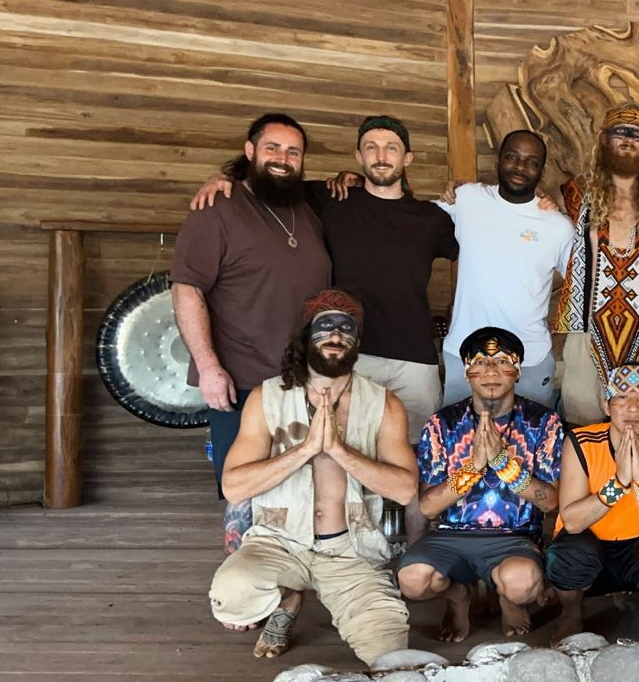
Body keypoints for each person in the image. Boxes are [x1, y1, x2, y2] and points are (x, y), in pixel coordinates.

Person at [190, 115, 459, 444]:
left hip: (414, 358)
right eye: (371, 148)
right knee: (346, 450)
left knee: (418, 451)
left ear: (407, 158)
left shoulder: (433, 219)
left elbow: (475, 251)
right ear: (358, 157)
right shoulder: (329, 199)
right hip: (346, 353)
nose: (381, 156)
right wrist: (223, 177)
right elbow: (267, 179)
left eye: (392, 148)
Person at [207, 290, 417, 665]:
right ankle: (288, 598)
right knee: (233, 597)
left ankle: (320, 599)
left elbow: (404, 490)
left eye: (346, 328)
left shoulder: (384, 404)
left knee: (389, 652)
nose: (336, 336)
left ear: (357, 341)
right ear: (306, 336)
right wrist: (304, 451)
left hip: (351, 551)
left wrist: (339, 450)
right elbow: (234, 486)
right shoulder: (267, 397)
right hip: (279, 542)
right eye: (325, 326)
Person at [173, 113, 331, 490]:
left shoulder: (306, 208)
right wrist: (208, 367)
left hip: (303, 379)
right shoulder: (217, 208)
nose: (282, 158)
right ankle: (244, 552)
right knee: (243, 492)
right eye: (272, 148)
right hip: (241, 380)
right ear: (250, 151)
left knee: (302, 488)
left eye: (293, 152)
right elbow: (186, 289)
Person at [398, 327, 565, 642]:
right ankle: (457, 596)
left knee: (521, 582)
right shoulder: (442, 424)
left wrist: (502, 462)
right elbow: (429, 506)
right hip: (451, 538)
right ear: (467, 372)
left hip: (514, 538)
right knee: (413, 580)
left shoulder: (543, 422)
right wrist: (474, 466)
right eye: (481, 362)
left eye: (502, 361)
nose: (491, 372)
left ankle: (507, 598)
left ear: (517, 370)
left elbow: (550, 501)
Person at [554, 103, 639, 424]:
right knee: (581, 422)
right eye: (619, 132)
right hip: (586, 330)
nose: (627, 139)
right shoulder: (574, 194)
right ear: (603, 138)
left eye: (637, 134)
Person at [546, 364, 639, 637]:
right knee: (567, 558)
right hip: (588, 543)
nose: (633, 408)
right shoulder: (581, 443)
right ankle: (571, 615)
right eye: (622, 396)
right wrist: (619, 483)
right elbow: (573, 523)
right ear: (607, 405)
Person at [440, 130, 576, 409]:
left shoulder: (558, 226)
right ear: (498, 161)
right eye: (512, 157)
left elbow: (582, 283)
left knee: (532, 446)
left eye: (531, 161)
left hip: (530, 359)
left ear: (541, 170)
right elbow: (415, 220)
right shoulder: (467, 199)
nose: (520, 167)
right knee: (458, 446)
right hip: (464, 354)